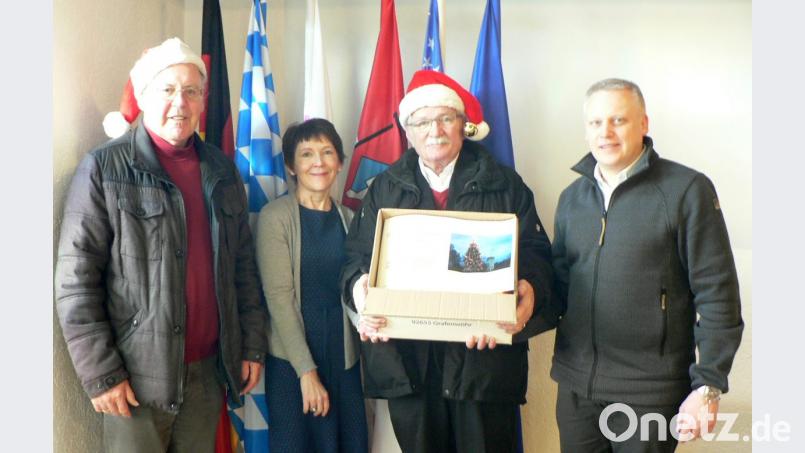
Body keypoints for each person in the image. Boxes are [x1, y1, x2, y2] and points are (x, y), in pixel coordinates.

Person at [54, 37, 267, 453]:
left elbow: (242, 266)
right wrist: (101, 374)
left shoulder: (222, 171)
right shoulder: (103, 169)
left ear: (203, 101)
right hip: (135, 382)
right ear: (145, 95)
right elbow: (75, 282)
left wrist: (252, 345)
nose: (180, 103)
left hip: (208, 375)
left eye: (191, 91)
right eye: (167, 90)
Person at [340, 70, 555, 453]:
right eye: (422, 121)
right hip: (409, 366)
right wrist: (361, 293)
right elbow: (356, 259)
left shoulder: (506, 184)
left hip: (483, 369)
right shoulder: (383, 189)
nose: (434, 130)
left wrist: (530, 293)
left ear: (463, 126)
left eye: (445, 118)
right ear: (408, 131)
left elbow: (538, 257)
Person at [550, 78, 744, 452]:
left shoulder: (686, 190)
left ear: (644, 124)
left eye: (618, 120)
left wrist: (709, 384)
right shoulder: (572, 198)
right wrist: (514, 310)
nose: (605, 132)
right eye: (595, 123)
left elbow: (718, 292)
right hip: (576, 390)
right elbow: (558, 289)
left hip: (649, 393)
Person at [255, 119, 369, 452]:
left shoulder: (351, 219)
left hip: (344, 361)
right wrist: (307, 373)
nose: (318, 162)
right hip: (293, 365)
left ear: (340, 162)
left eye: (327, 152)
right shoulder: (275, 217)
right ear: (291, 166)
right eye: (306, 154)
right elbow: (279, 300)